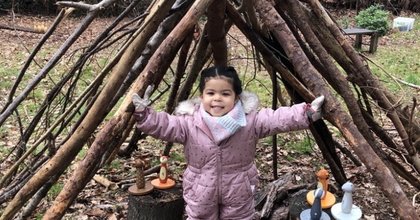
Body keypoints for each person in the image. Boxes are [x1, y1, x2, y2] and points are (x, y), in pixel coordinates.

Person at [132, 66, 325, 220]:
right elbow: (165, 125)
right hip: (200, 189)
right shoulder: (189, 123)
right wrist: (144, 114)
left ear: (236, 97)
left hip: (238, 188)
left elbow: (277, 119)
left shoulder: (251, 121)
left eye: (225, 93)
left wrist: (306, 113)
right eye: (210, 93)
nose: (217, 98)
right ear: (201, 97)